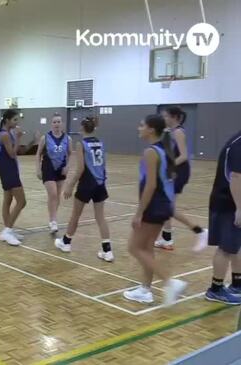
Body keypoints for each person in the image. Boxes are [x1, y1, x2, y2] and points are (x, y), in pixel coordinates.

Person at [123, 114, 186, 305]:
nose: (139, 128)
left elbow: (150, 185)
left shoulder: (151, 152)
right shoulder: (164, 149)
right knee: (147, 247)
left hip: (153, 206)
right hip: (162, 205)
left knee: (134, 247)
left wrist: (139, 212)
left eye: (141, 125)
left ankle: (169, 282)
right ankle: (145, 290)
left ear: (151, 129)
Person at [55, 117, 113, 262]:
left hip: (87, 182)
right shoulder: (101, 143)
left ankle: (66, 243)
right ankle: (108, 251)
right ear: (93, 128)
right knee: (101, 217)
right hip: (100, 183)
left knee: (75, 215)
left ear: (82, 128)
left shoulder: (81, 144)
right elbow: (103, 164)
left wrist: (69, 185)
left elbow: (80, 168)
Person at [154, 106, 208, 251]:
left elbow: (183, 156)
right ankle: (167, 239)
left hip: (179, 172)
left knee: (168, 208)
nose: (163, 118)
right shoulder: (171, 132)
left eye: (165, 116)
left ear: (175, 117)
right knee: (167, 206)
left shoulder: (178, 132)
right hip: (174, 171)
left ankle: (200, 231)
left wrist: (167, 167)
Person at [204, 130, 241, 305]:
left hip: (232, 202)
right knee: (226, 248)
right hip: (227, 203)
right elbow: (236, 177)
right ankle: (215, 289)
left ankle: (237, 284)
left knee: (236, 245)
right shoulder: (238, 143)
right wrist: (240, 208)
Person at [0, 110, 28, 246]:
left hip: (9, 169)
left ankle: (7, 230)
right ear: (7, 120)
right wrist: (19, 138)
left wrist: (32, 142)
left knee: (8, 200)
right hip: (8, 170)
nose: (17, 122)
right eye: (15, 120)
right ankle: (7, 231)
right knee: (22, 201)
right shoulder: (4, 135)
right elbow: (12, 154)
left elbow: (19, 151)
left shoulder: (9, 134)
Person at [36, 113, 72, 233]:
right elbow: (38, 154)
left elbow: (70, 154)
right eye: (54, 122)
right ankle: (53, 221)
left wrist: (67, 166)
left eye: (59, 122)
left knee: (57, 195)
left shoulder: (68, 139)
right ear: (51, 124)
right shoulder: (45, 138)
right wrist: (37, 169)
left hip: (61, 168)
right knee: (52, 194)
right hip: (48, 167)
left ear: (62, 124)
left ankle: (52, 219)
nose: (57, 124)